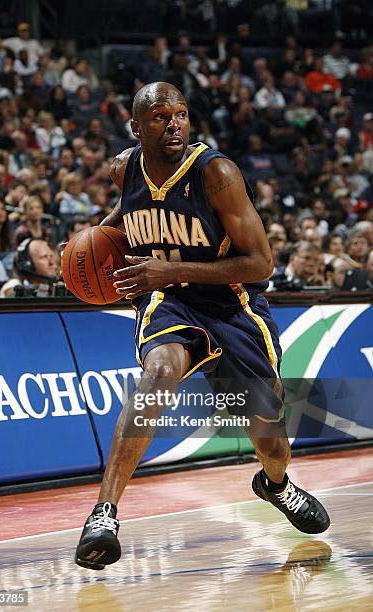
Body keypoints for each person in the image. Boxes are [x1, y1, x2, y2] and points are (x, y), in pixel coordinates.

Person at [75, 82, 330, 571]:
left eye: (181, 115)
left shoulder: (218, 174)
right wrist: (95, 248)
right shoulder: (124, 168)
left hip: (233, 308)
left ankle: (275, 484)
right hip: (169, 302)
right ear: (136, 128)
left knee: (272, 442)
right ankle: (103, 514)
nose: (173, 124)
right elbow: (125, 221)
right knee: (158, 374)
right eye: (160, 117)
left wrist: (169, 269)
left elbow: (261, 264)